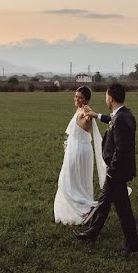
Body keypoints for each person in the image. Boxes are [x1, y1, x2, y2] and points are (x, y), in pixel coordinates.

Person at [75, 83, 138, 256]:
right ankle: (91, 234)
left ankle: (132, 247)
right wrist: (97, 115)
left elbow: (121, 149)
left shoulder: (120, 119)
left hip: (116, 172)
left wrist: (111, 171)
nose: (105, 98)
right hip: (118, 171)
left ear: (110, 98)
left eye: (105, 96)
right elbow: (112, 120)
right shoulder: (125, 114)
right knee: (104, 204)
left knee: (123, 210)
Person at [53, 86, 108, 224]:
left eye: (80, 97)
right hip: (79, 149)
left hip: (78, 151)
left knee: (68, 182)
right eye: (76, 96)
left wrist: (89, 112)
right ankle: (85, 210)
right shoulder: (79, 110)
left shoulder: (85, 110)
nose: (76, 99)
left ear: (86, 100)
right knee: (76, 182)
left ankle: (86, 208)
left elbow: (88, 114)